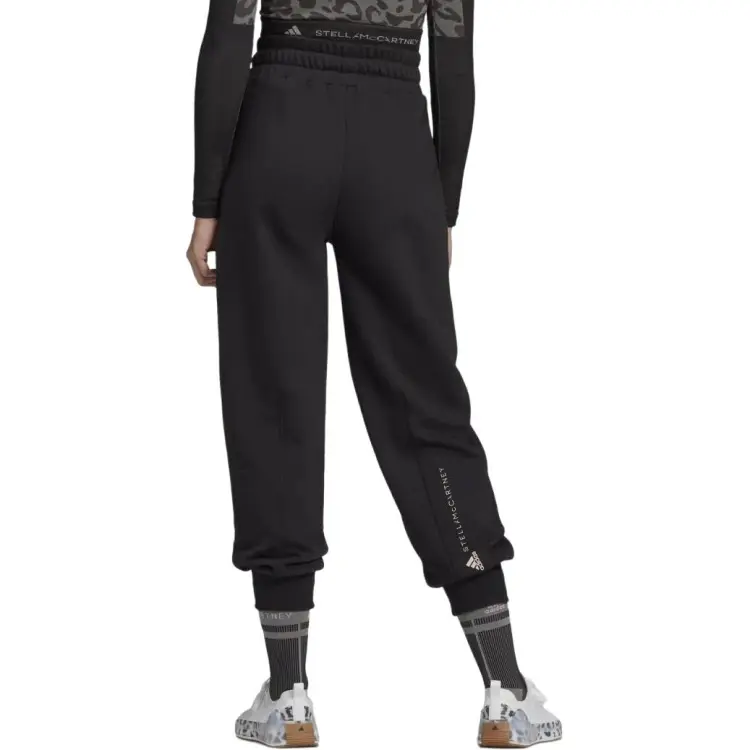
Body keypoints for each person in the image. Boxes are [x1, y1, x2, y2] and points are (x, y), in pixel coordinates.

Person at [186, 1, 561, 747]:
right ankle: (504, 687)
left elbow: (228, 35)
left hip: (278, 129)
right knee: (425, 402)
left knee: (273, 395)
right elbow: (454, 56)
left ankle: (288, 694)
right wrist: (442, 205)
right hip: (396, 145)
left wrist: (206, 200)